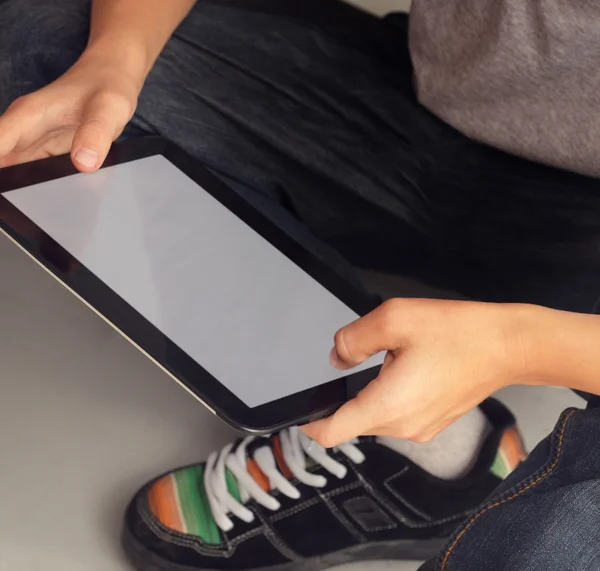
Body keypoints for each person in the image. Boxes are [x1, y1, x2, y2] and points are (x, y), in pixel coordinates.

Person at [2, 0, 600, 569]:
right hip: (425, 105)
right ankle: (386, 410)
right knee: (43, 69)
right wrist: (114, 60)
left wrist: (523, 345)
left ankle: (438, 448)